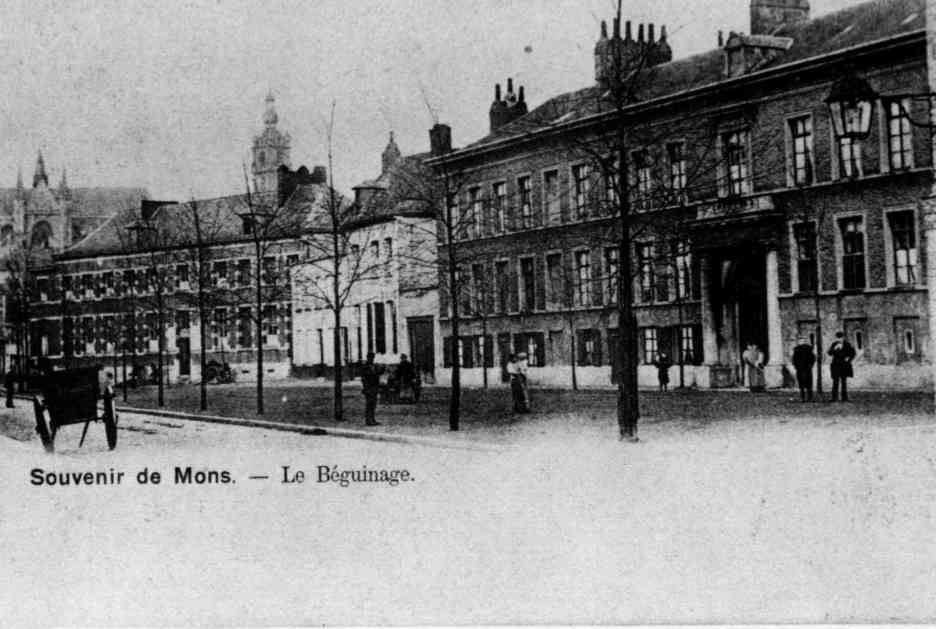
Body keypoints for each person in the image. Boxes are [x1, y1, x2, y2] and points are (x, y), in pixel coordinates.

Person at [828, 331, 856, 402]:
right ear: (836, 338)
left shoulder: (847, 344)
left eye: (840, 338)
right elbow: (829, 353)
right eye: (838, 338)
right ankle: (834, 398)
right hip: (836, 365)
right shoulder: (834, 344)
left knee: (844, 381)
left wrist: (848, 360)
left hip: (844, 365)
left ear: (843, 338)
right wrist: (834, 348)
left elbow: (853, 353)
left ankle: (844, 398)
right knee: (835, 382)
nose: (839, 339)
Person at [360, 352, 383, 425]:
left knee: (373, 404)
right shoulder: (365, 366)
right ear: (368, 358)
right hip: (369, 388)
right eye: (370, 357)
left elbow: (378, 373)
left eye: (373, 357)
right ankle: (368, 420)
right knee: (369, 404)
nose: (372, 359)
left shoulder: (374, 366)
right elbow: (364, 378)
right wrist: (366, 388)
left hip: (374, 387)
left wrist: (382, 369)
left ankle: (372, 419)